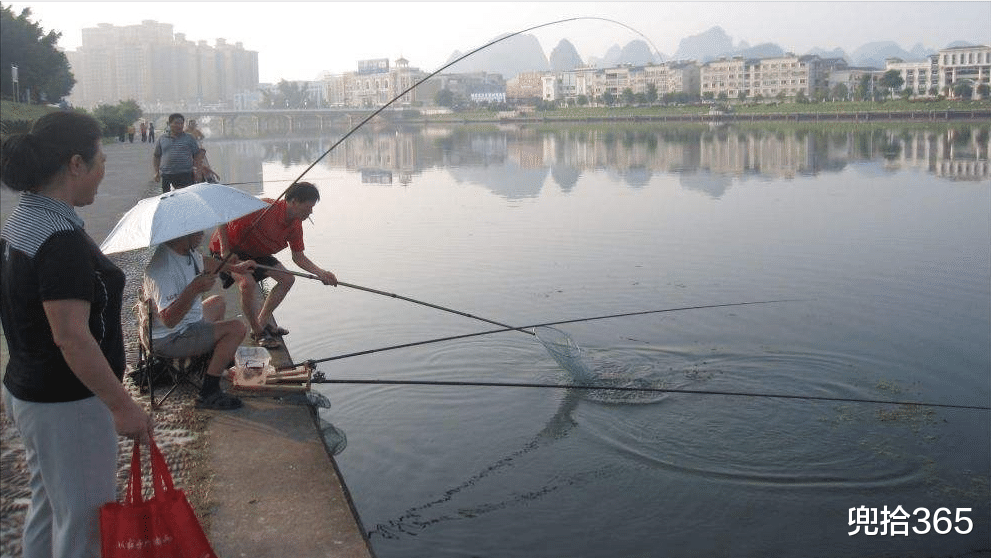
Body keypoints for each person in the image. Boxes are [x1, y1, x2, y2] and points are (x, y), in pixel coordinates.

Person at [0, 111, 154, 558]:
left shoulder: (24, 219)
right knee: (85, 524)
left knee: (51, 509)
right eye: (101, 159)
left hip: (30, 392)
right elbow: (71, 337)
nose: (104, 169)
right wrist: (122, 406)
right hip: (68, 403)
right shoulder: (59, 238)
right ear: (75, 164)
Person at [209, 181, 337, 349]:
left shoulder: (295, 225)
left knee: (287, 279)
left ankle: (262, 322)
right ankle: (257, 332)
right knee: (247, 284)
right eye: (308, 207)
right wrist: (225, 250)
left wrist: (321, 273)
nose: (310, 212)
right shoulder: (263, 208)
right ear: (294, 201)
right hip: (229, 250)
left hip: (256, 253)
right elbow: (222, 214)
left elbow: (298, 257)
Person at [142, 230, 255, 410]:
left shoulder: (183, 251)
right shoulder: (163, 269)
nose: (202, 234)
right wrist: (194, 289)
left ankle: (213, 361)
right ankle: (208, 392)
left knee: (218, 302)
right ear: (182, 232)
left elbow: (203, 261)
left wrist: (236, 268)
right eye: (196, 231)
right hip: (170, 338)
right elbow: (169, 321)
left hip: (187, 323)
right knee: (237, 329)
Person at [152, 113, 199, 193]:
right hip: (167, 175)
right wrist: (156, 172)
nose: (179, 126)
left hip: (186, 174)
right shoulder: (162, 138)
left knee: (185, 196)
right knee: (167, 197)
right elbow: (156, 156)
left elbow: (197, 155)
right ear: (169, 124)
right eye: (176, 123)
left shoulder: (189, 138)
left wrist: (198, 170)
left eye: (181, 123)